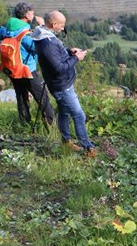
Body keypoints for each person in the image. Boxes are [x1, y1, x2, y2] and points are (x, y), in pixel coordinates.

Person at [31, 11, 96, 157]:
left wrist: (69, 52)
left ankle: (66, 142)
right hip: (61, 86)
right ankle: (88, 148)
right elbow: (59, 68)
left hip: (60, 84)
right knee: (79, 115)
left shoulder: (44, 35)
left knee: (64, 112)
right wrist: (76, 58)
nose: (62, 28)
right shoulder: (48, 43)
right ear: (53, 24)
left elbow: (55, 57)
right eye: (62, 25)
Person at [0, 2, 55, 125]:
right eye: (32, 12)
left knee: (21, 96)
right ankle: (51, 125)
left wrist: (5, 50)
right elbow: (40, 47)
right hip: (27, 69)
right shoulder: (24, 33)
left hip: (12, 68)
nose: (33, 15)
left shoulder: (6, 28)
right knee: (41, 97)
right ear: (27, 14)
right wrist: (43, 27)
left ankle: (24, 124)